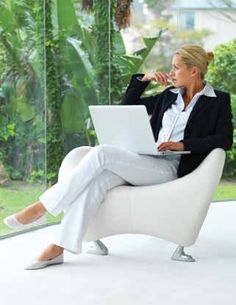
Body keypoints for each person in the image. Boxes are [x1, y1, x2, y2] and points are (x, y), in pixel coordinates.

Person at [3, 44, 233, 270]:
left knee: (102, 153)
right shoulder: (169, 95)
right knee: (97, 182)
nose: (171, 72)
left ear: (193, 70)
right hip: (145, 161)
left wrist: (182, 144)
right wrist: (144, 79)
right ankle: (58, 248)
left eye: (176, 68)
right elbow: (127, 106)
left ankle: (41, 208)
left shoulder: (218, 100)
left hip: (172, 167)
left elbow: (224, 140)